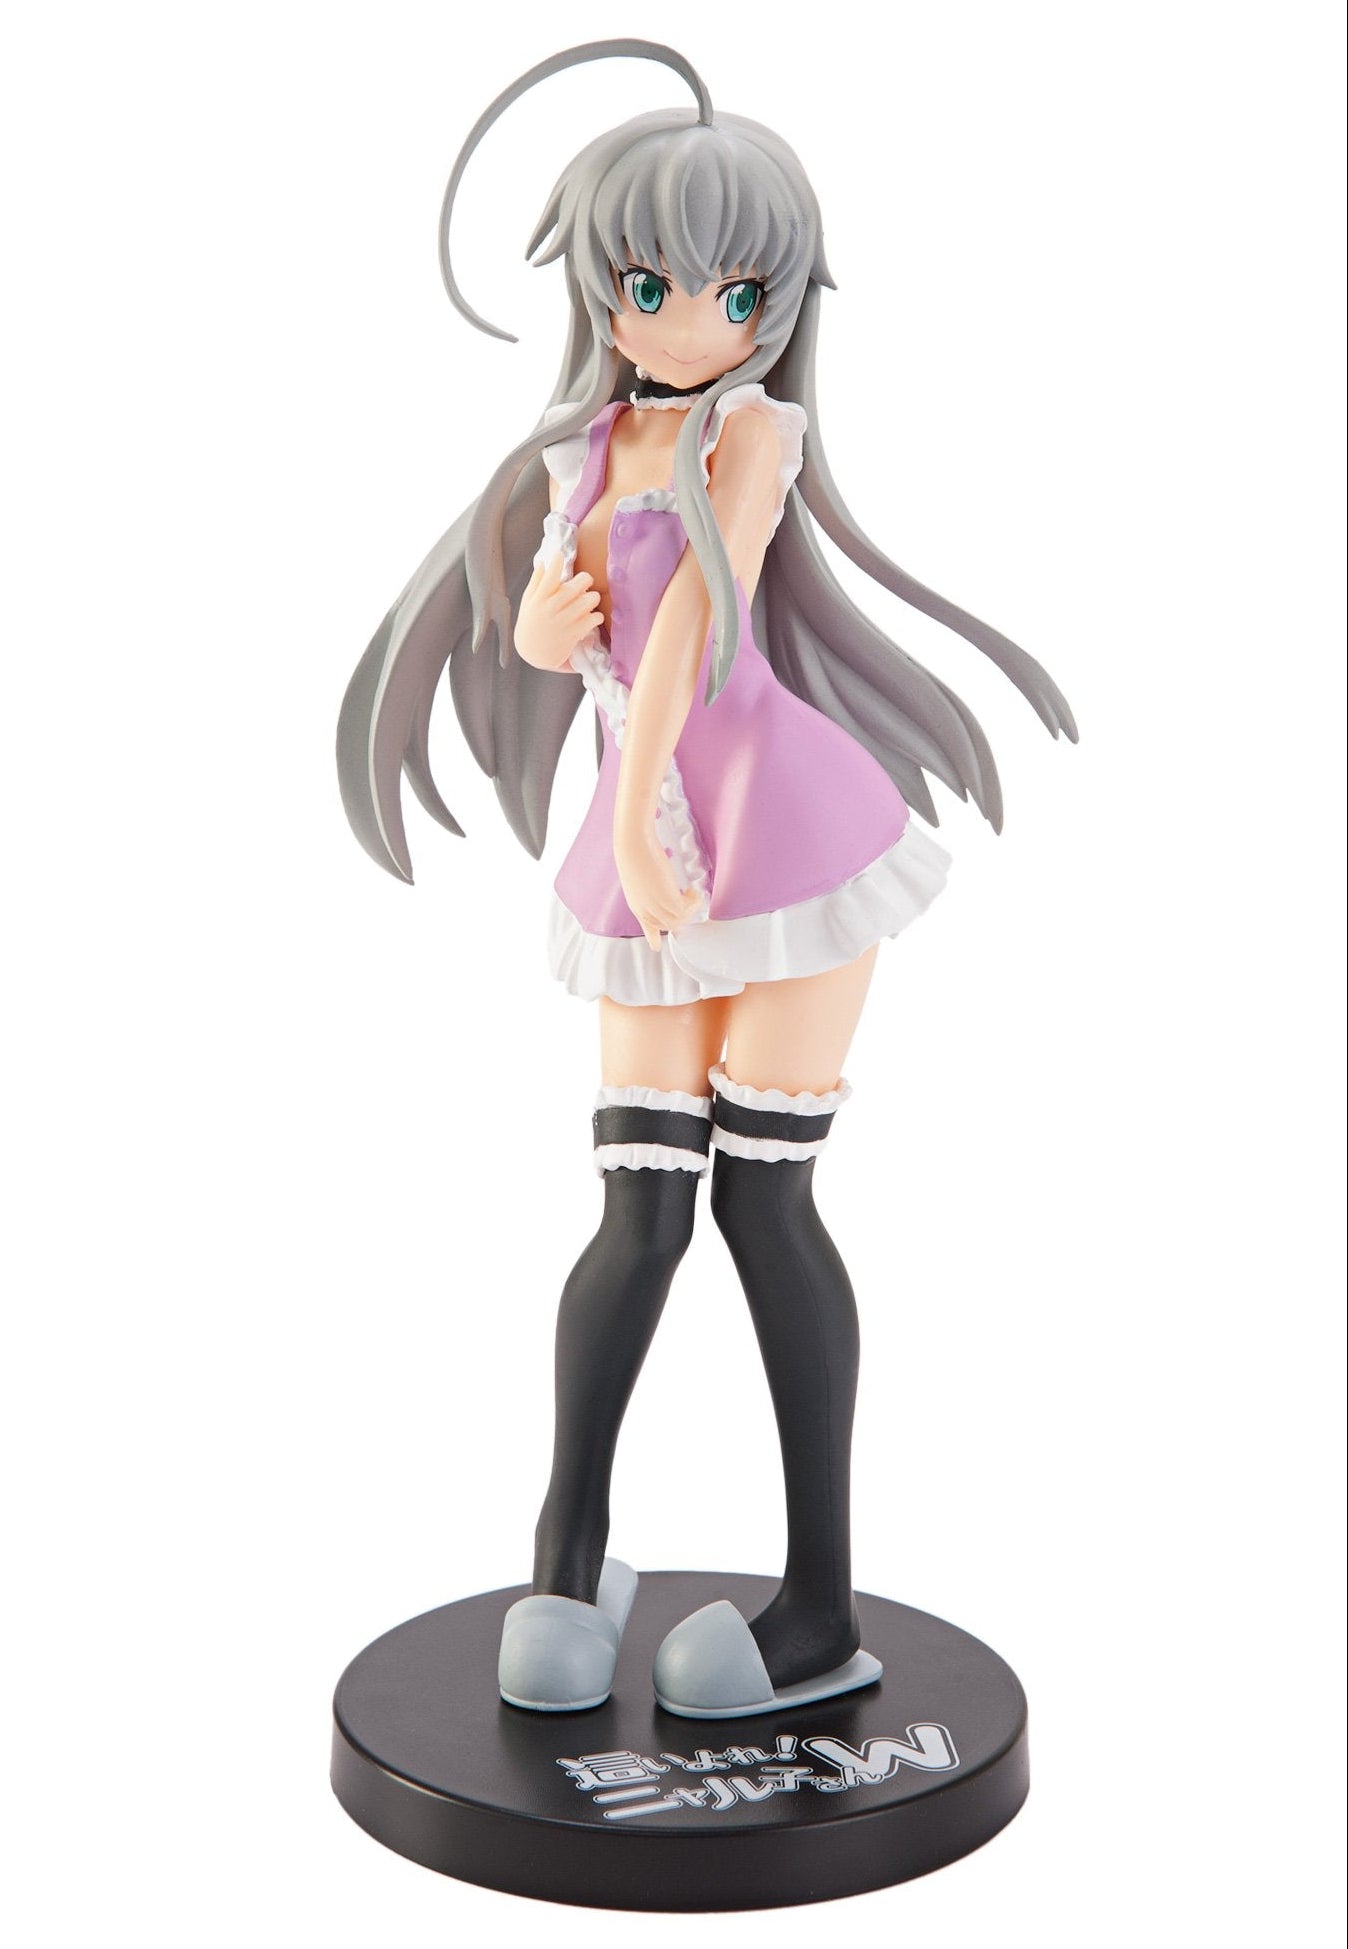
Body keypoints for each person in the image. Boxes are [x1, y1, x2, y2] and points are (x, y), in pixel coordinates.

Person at [337, 40, 1075, 1719]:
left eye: (737, 292)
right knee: (638, 1206)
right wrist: (543, 636)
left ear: (777, 305)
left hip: (777, 827)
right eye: (653, 284)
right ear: (602, 285)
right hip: (645, 837)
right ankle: (568, 1549)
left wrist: (644, 797)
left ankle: (819, 1605)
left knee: (765, 1199)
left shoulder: (753, 432)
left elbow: (700, 611)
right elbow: (572, 621)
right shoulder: (581, 446)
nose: (691, 321)